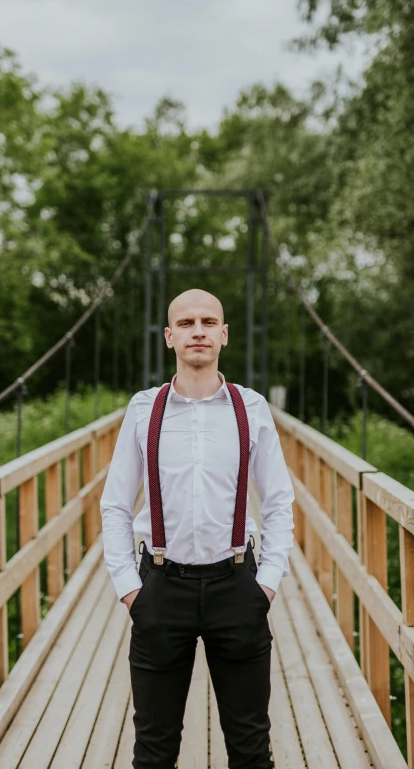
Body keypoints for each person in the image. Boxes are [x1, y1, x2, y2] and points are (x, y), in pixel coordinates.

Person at [100, 288, 295, 769]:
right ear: (169, 337)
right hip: (161, 589)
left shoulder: (251, 409)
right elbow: (115, 504)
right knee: (154, 750)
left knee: (251, 749)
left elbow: (279, 502)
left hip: (237, 587)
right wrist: (130, 589)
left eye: (209, 322)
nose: (199, 331)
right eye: (186, 323)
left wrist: (266, 584)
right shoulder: (143, 410)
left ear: (224, 335)